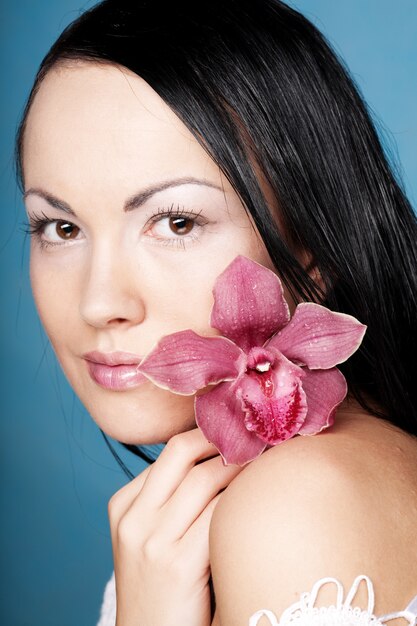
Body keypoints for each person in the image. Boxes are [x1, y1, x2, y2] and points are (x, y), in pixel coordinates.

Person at [16, 0, 417, 624]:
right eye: (60, 227)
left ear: (310, 246)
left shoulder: (295, 503)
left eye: (176, 222)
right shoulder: (262, 496)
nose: (99, 304)